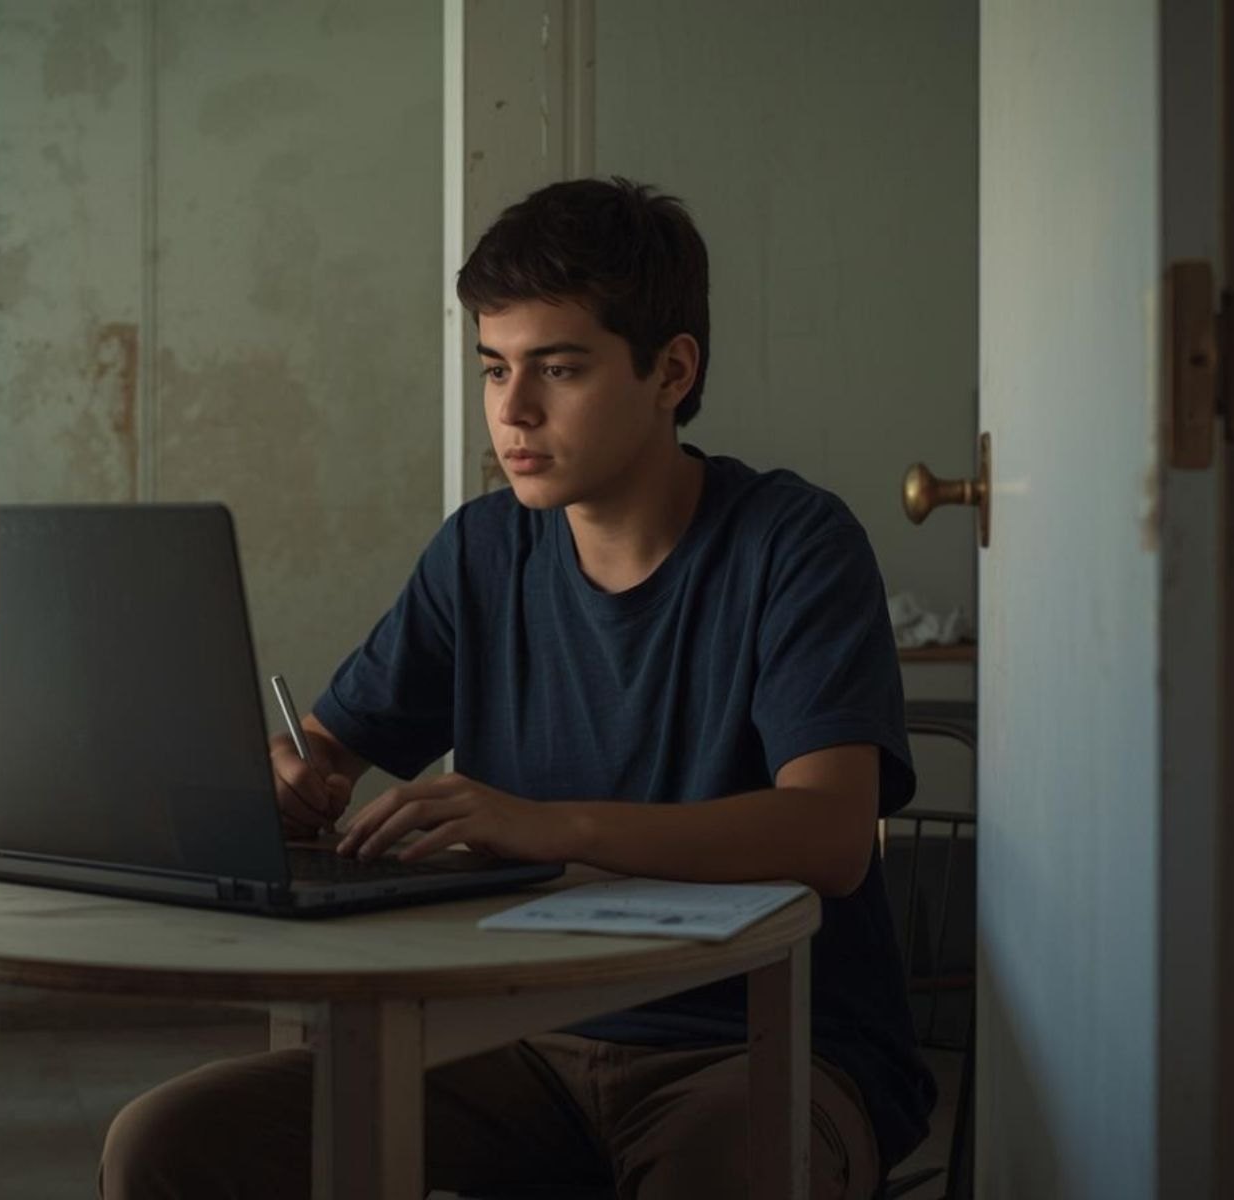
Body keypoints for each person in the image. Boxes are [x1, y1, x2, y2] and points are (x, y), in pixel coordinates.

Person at [99, 176, 935, 1199]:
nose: (513, 410)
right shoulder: (483, 551)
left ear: (671, 371)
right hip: (514, 1037)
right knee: (171, 1140)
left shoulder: (794, 544)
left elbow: (829, 837)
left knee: (726, 1170)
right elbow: (322, 751)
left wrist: (551, 826)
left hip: (755, 1042)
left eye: (560, 368)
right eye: (494, 367)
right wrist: (288, 778)